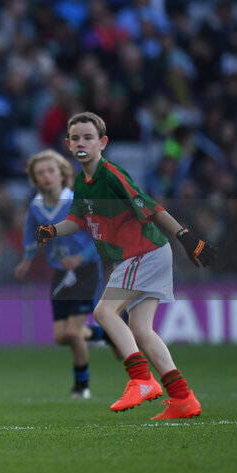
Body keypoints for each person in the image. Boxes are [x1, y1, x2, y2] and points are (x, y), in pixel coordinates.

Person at [37, 112, 216, 420]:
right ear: (68, 145)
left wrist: (185, 237)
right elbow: (76, 221)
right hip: (145, 254)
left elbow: (151, 206)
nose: (81, 143)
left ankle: (141, 379)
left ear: (102, 143)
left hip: (143, 252)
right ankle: (183, 398)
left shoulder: (111, 175)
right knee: (141, 331)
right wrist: (53, 230)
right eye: (76, 138)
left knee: (104, 312)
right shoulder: (83, 181)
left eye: (88, 137)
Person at [14, 150, 104, 399]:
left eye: (51, 170)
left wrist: (80, 258)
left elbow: (99, 238)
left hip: (85, 272)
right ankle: (104, 334)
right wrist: (26, 260)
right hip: (60, 274)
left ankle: (81, 386)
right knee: (61, 337)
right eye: (40, 172)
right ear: (34, 178)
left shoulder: (77, 202)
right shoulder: (36, 207)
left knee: (74, 333)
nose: (46, 176)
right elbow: (30, 238)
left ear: (62, 173)